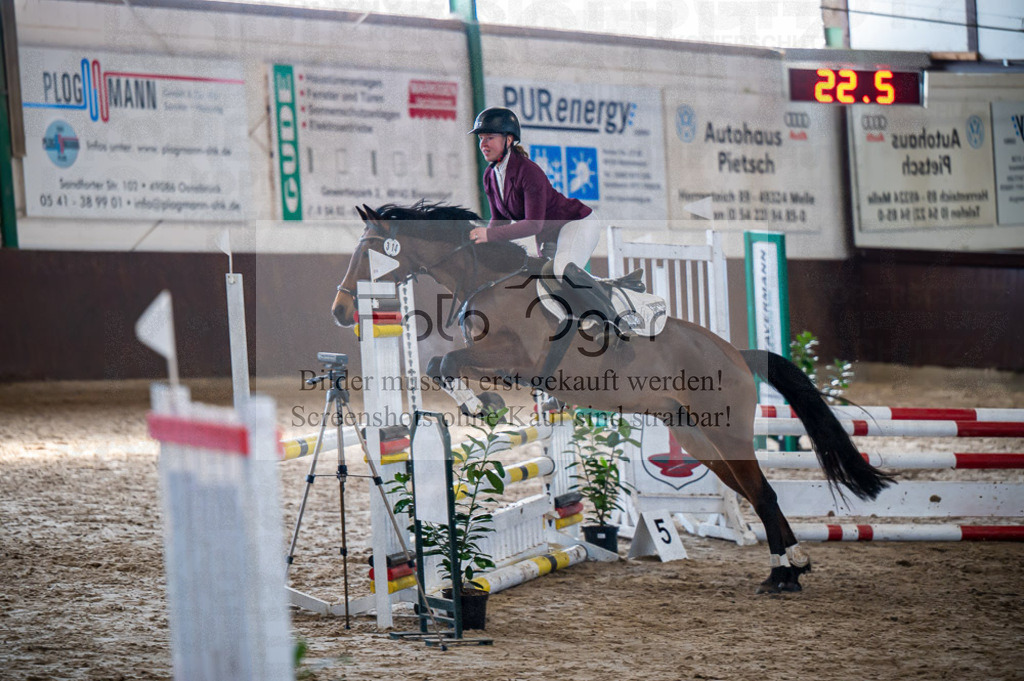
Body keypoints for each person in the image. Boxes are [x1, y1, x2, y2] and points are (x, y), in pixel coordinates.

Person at [467, 106, 612, 324]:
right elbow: (499, 221)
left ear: (508, 140)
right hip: (551, 236)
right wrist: (481, 245)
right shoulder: (490, 175)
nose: (483, 144)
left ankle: (612, 321)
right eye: (481, 138)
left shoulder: (528, 171)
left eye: (490, 137)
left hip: (577, 223)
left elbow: (533, 225)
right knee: (539, 281)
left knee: (563, 270)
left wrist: (489, 237)